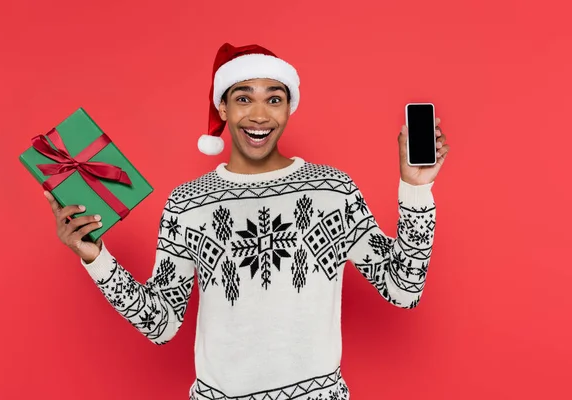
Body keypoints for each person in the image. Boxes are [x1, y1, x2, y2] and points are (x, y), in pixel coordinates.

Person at [44, 42, 450, 400]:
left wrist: (416, 190)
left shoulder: (332, 190)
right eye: (243, 99)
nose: (259, 115)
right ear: (222, 106)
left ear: (289, 106)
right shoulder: (188, 204)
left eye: (274, 99)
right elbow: (161, 323)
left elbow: (403, 288)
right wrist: (96, 258)